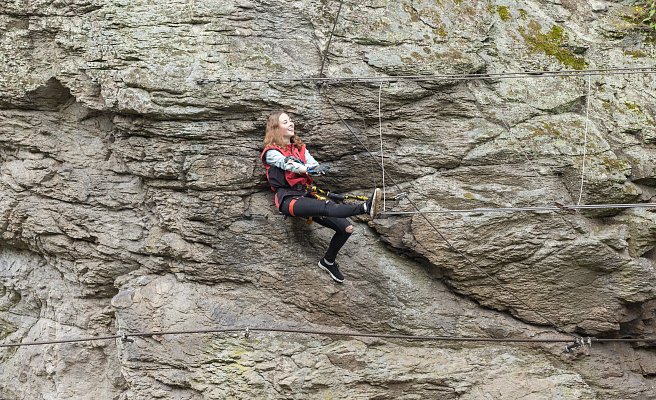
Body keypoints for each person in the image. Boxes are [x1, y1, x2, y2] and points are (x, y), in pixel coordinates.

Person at [260, 111, 382, 283]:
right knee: (327, 207)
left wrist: (313, 168)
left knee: (346, 229)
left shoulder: (300, 148)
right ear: (275, 128)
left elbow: (312, 163)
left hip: (306, 194)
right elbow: (286, 164)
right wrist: (305, 169)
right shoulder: (270, 152)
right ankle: (364, 208)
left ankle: (328, 261)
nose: (291, 123)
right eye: (285, 122)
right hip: (289, 199)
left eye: (291, 120)